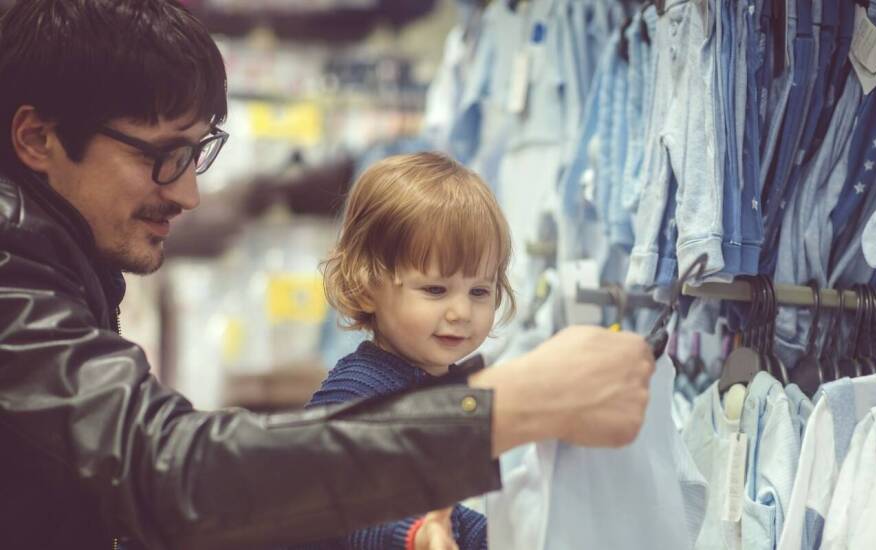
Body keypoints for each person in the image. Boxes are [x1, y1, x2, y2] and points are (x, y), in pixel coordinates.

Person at [0, 1, 655, 549]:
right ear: (38, 139)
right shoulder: (12, 273)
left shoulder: (56, 263)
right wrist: (510, 406)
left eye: (196, 154)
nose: (190, 194)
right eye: (165, 157)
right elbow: (166, 467)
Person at [302, 152, 513, 550]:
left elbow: (449, 513)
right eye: (435, 289)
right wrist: (414, 533)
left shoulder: (447, 391)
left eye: (479, 291)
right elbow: (344, 503)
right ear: (367, 285)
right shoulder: (355, 391)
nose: (461, 312)